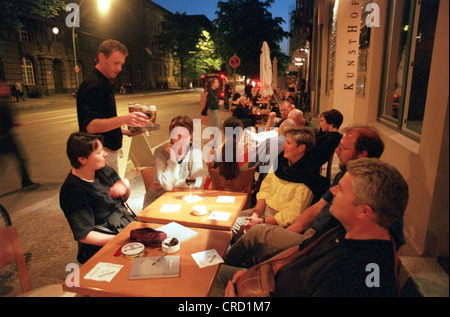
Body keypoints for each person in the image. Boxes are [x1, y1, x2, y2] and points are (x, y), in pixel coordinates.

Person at [213, 157, 408, 297]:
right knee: (206, 270)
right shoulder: (343, 229)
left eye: (341, 190)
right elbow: (299, 250)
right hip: (263, 281)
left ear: (364, 212)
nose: (332, 190)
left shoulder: (362, 273)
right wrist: (257, 271)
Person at [223, 126, 404, 269]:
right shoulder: (342, 176)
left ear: (362, 154)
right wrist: (284, 233)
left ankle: (221, 267)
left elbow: (387, 245)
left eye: (342, 148)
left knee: (256, 234)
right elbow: (314, 209)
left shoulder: (377, 188)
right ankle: (226, 264)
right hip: (313, 238)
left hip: (319, 241)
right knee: (232, 224)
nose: (337, 151)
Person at [232, 126, 327, 239]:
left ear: (301, 148)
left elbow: (291, 214)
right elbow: (265, 189)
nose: (283, 146)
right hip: (262, 212)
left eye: (288, 143)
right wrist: (255, 214)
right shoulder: (282, 161)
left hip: (279, 224)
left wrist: (261, 221)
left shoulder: (308, 175)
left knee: (235, 229)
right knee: (228, 221)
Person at [59, 132, 135, 264]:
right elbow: (85, 235)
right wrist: (121, 239)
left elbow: (122, 201)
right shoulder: (72, 191)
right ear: (82, 159)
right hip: (102, 244)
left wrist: (125, 186)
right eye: (99, 152)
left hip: (125, 229)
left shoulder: (103, 170)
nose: (105, 154)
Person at [76, 39, 149, 173]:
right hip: (99, 155)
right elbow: (90, 127)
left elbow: (104, 120)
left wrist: (126, 131)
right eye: (116, 63)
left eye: (121, 64)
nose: (119, 68)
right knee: (111, 193)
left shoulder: (104, 82)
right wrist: (125, 119)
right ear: (101, 57)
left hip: (106, 153)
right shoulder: (93, 85)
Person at [143, 115, 203, 208]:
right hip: (157, 200)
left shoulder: (195, 151)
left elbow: (197, 182)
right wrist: (173, 158)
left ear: (191, 134)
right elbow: (168, 186)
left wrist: (162, 184)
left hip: (182, 199)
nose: (180, 139)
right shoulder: (160, 152)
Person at [0, 81, 39, 191]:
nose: (7, 89)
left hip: (3, 137)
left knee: (2, 163)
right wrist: (13, 124)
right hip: (6, 138)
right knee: (21, 158)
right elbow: (7, 121)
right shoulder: (3, 103)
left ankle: (26, 182)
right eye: (4, 87)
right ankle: (26, 183)